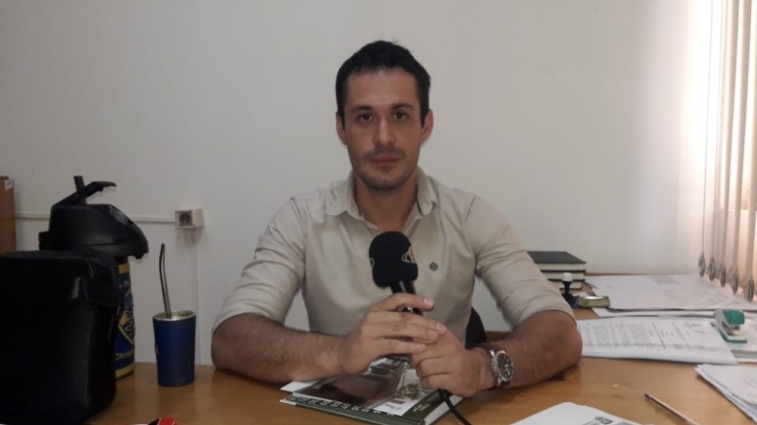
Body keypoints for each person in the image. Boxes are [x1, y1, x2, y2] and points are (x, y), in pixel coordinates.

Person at [212, 40, 582, 398]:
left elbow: (561, 331)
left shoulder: (470, 216)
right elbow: (230, 337)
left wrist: (481, 368)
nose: (383, 137)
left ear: (425, 125)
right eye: (365, 117)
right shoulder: (301, 218)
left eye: (400, 115)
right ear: (341, 128)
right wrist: (340, 353)